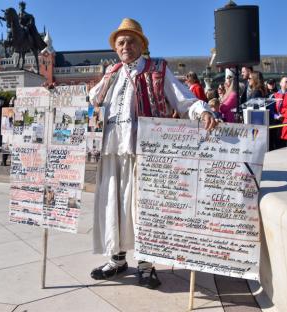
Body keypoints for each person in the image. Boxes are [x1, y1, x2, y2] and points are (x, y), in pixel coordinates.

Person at [88, 18, 217, 289]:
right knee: (114, 205)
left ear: (142, 45)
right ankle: (117, 259)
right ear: (116, 48)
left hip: (144, 152)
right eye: (121, 42)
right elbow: (92, 100)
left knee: (142, 208)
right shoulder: (111, 74)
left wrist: (202, 110)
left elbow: (182, 98)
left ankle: (146, 265)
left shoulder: (157, 69)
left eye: (131, 41)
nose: (126, 46)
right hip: (112, 151)